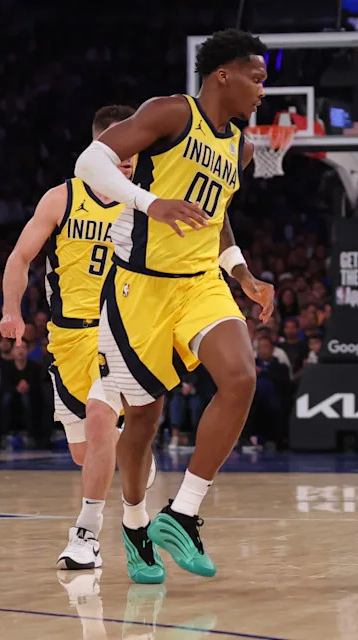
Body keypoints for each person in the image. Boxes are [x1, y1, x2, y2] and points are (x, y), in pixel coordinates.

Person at [73, 29, 274, 583]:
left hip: (198, 283)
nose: (263, 89)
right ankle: (135, 524)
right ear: (223, 76)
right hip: (138, 285)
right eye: (256, 78)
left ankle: (182, 513)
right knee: (142, 418)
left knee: (240, 377)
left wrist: (242, 273)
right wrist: (150, 202)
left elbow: (216, 215)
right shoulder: (169, 113)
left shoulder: (243, 147)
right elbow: (91, 163)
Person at [0, 106, 156, 570]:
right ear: (98, 151)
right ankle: (135, 457)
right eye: (118, 149)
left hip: (122, 334)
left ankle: (85, 536)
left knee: (99, 414)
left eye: (134, 149)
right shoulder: (61, 198)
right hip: (66, 338)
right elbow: (19, 256)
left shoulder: (146, 202)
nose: (127, 158)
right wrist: (11, 309)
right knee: (83, 450)